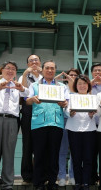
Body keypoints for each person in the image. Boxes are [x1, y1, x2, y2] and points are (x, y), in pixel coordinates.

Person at [0, 61, 29, 190]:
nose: (10, 71)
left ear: (16, 72)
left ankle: (7, 183)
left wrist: (21, 88)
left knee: (9, 153)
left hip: (12, 120)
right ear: (2, 70)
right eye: (8, 68)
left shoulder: (17, 85)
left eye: (13, 69)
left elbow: (27, 93)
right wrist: (0, 86)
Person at [26, 60, 69, 190]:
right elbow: (27, 101)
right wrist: (32, 99)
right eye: (47, 68)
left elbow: (66, 102)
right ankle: (38, 182)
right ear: (42, 70)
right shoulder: (34, 85)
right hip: (39, 124)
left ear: (55, 70)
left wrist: (64, 104)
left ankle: (52, 182)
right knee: (39, 154)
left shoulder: (62, 86)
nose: (50, 70)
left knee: (54, 154)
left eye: (52, 68)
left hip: (56, 123)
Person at [66, 74, 97, 190]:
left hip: (89, 130)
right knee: (76, 158)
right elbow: (66, 110)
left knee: (88, 158)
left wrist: (93, 113)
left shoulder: (93, 97)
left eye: (84, 83)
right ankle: (78, 182)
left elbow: (98, 113)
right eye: (79, 83)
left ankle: (86, 183)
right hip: (74, 130)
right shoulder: (71, 97)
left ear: (88, 85)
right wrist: (70, 113)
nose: (82, 86)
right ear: (76, 85)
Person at [18, 54, 43, 184]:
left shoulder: (45, 76)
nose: (34, 62)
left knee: (42, 145)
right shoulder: (23, 77)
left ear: (40, 62)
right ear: (28, 64)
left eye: (36, 60)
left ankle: (41, 174)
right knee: (27, 145)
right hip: (28, 110)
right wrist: (24, 75)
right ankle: (27, 175)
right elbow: (23, 93)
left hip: (44, 111)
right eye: (31, 61)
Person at [55, 68, 80, 186]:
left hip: (77, 122)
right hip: (64, 120)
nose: (73, 77)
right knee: (63, 150)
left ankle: (73, 175)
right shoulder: (62, 88)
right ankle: (61, 176)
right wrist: (55, 80)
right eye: (71, 75)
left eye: (75, 75)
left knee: (75, 150)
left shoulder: (81, 89)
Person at [90, 63, 101, 184]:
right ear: (91, 73)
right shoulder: (87, 88)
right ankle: (93, 177)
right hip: (91, 125)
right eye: (95, 71)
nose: (97, 73)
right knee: (92, 153)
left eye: (100, 71)